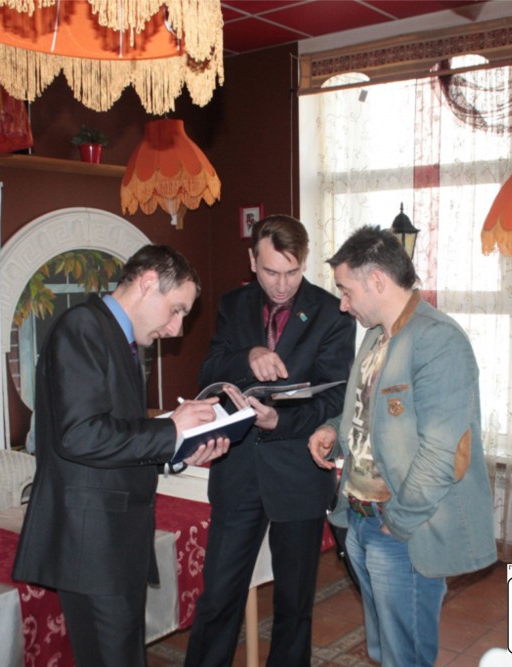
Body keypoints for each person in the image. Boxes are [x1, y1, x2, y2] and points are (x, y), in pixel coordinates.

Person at [12, 245, 230, 667]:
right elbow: (80, 435)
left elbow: (116, 437)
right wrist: (170, 430)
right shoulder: (83, 328)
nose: (177, 328)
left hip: (113, 541)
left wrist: (180, 450)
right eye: (176, 310)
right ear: (148, 283)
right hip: (91, 544)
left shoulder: (120, 338)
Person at [308, 226, 496, 667]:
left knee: (405, 657)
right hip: (360, 518)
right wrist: (334, 430)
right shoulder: (376, 336)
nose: (343, 303)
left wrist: (399, 524)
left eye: (346, 290)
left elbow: (443, 451)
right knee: (385, 650)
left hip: (399, 528)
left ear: (377, 281)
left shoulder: (438, 340)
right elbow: (369, 413)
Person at [185, 215, 356, 667]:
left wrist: (279, 419)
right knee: (218, 598)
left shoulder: (332, 312)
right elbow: (209, 371)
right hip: (238, 472)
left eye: (292, 272)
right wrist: (248, 356)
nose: (281, 285)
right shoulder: (233, 303)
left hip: (298, 474)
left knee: (294, 607)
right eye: (270, 272)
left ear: (305, 262)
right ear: (252, 261)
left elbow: (336, 398)